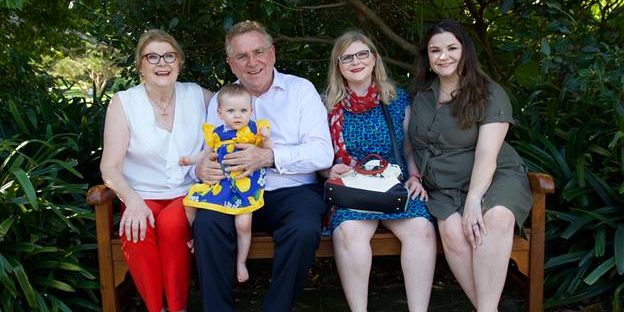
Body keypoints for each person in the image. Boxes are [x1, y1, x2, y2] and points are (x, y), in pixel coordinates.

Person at [193, 20, 333, 312]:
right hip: (233, 191)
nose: (252, 62)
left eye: (259, 52)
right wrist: (201, 169)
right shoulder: (222, 100)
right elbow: (207, 152)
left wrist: (268, 157)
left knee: (304, 227)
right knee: (206, 224)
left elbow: (322, 154)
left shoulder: (300, 90)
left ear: (273, 54)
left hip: (291, 190)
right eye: (242, 56)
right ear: (231, 64)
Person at [408, 20, 533, 311]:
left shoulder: (489, 93)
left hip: (494, 176)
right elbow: (412, 143)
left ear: (466, 51)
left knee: (496, 218)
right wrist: (415, 174)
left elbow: (486, 156)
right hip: (443, 185)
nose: (444, 56)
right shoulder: (420, 94)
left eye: (452, 48)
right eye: (435, 50)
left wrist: (475, 199)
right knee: (452, 231)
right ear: (427, 56)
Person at [321, 30, 436, 312]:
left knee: (421, 228)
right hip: (351, 190)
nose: (355, 61)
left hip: (392, 186)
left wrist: (414, 177)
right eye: (346, 57)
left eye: (362, 54)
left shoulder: (396, 100)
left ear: (374, 58)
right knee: (349, 232)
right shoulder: (327, 105)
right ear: (338, 65)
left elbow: (408, 149)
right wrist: (328, 170)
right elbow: (318, 154)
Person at [99, 29, 212, 312]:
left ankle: (177, 308)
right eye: (153, 57)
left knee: (172, 225)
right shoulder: (124, 103)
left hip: (186, 193)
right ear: (140, 66)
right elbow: (110, 166)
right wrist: (133, 202)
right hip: (141, 194)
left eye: (169, 56)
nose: (162, 63)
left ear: (179, 62)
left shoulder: (199, 96)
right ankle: (154, 308)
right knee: (136, 226)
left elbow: (240, 112)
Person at [180, 83, 271, 283]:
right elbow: (205, 154)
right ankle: (197, 236)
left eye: (243, 110)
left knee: (243, 223)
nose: (238, 116)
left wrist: (266, 140)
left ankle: (241, 262)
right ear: (220, 113)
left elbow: (267, 152)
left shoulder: (254, 130)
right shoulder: (217, 133)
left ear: (251, 111)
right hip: (222, 184)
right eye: (231, 111)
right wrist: (190, 161)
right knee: (190, 202)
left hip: (245, 183)